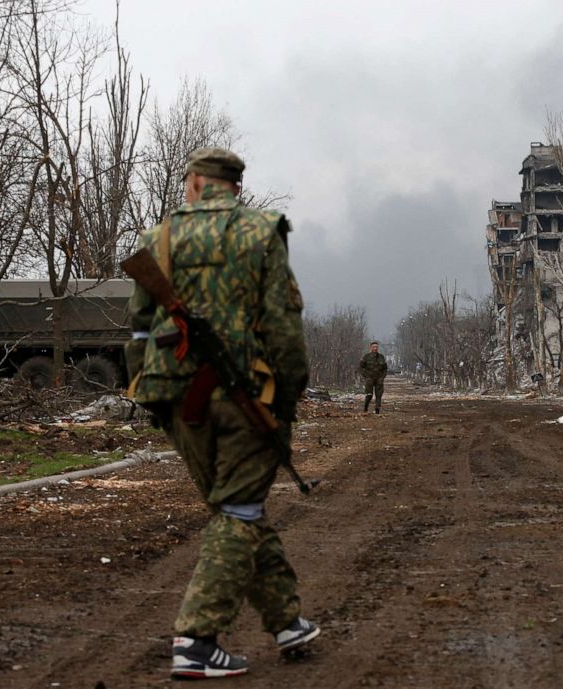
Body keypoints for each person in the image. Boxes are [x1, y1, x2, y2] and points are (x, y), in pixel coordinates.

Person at [124, 147, 319, 680]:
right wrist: (286, 399)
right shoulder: (261, 232)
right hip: (242, 396)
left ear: (193, 184)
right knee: (240, 510)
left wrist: (149, 394)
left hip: (175, 399)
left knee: (235, 508)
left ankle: (287, 621)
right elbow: (282, 327)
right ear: (235, 187)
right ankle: (197, 639)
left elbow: (140, 329)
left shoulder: (158, 238)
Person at [358, 340, 388, 414]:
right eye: (374, 347)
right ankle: (365, 407)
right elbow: (361, 367)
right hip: (369, 379)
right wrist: (365, 376)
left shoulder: (381, 357)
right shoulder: (366, 357)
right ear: (371, 347)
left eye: (376, 347)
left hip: (379, 379)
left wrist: (382, 377)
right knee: (369, 395)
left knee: (379, 395)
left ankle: (377, 408)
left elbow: (385, 368)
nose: (375, 348)